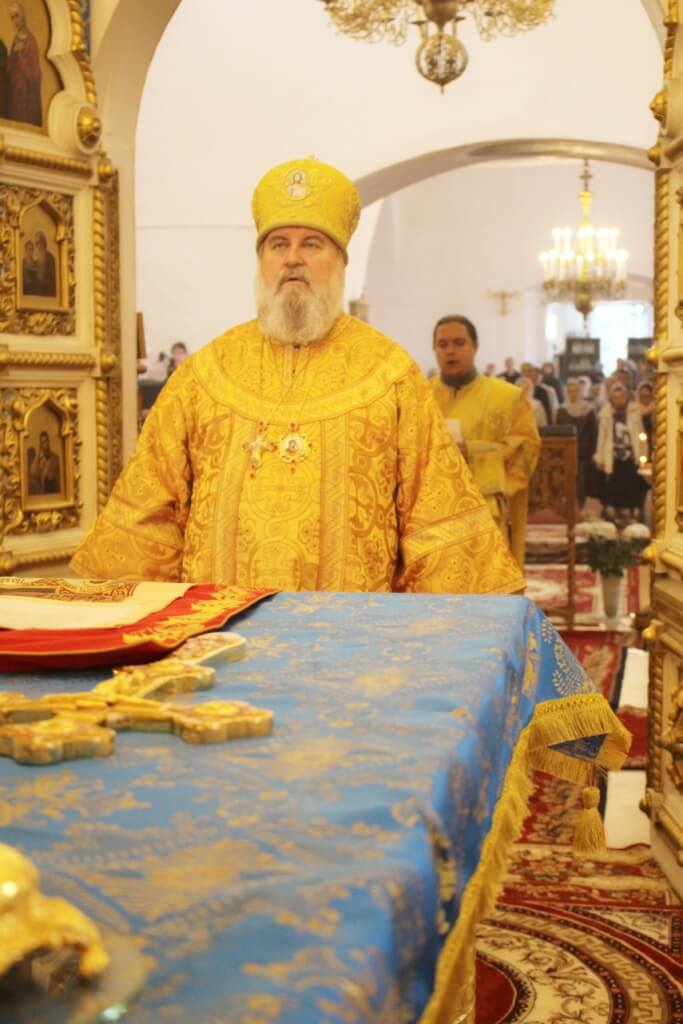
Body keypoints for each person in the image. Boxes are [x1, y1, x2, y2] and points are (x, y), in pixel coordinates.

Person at [72, 158, 523, 594]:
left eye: (311, 244)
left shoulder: (390, 374)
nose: (292, 258)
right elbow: (149, 514)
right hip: (220, 634)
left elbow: (436, 518)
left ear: (339, 261)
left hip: (348, 638)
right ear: (262, 261)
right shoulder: (204, 374)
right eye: (278, 245)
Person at [429, 315, 540, 569]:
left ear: (475, 346)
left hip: (486, 516)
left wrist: (474, 452)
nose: (450, 351)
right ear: (434, 350)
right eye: (443, 344)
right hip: (432, 515)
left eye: (459, 343)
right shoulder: (419, 397)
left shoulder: (508, 397)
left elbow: (527, 449)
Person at [594, 381, 649, 522]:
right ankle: (615, 514)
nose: (619, 400)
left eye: (622, 397)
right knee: (615, 486)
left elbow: (641, 434)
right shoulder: (606, 414)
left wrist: (643, 454)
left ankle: (632, 513)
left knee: (631, 485)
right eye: (616, 397)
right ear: (611, 398)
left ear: (626, 397)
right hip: (613, 456)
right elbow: (602, 437)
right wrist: (600, 457)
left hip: (631, 455)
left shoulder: (634, 412)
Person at [556, 377, 598, 507]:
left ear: (580, 392)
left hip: (584, 453)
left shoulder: (588, 410)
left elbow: (594, 433)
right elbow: (557, 432)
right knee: (567, 481)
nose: (573, 394)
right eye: (570, 391)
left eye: (575, 391)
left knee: (583, 482)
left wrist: (594, 452)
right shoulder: (561, 410)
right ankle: (568, 507)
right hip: (566, 452)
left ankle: (580, 507)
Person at [7, 2, 42, 127]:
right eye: (12, 17)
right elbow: (10, 67)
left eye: (16, 16)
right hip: (16, 94)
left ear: (23, 16)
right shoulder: (16, 39)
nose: (15, 21)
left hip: (27, 98)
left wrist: (21, 55)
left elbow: (34, 76)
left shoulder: (31, 42)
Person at [33, 231, 56, 297]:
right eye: (35, 243)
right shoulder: (37, 259)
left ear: (43, 242)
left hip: (47, 291)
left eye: (38, 242)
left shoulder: (50, 258)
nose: (36, 246)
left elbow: (51, 279)